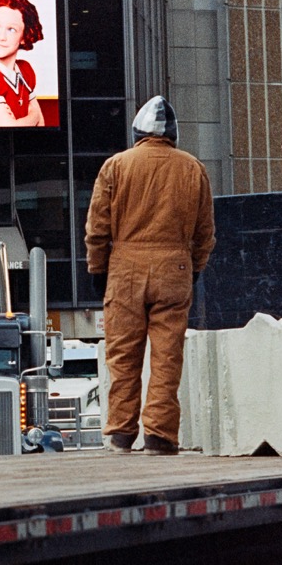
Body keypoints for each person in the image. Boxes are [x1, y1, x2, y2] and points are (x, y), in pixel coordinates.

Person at [84, 96, 215, 456]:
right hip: (174, 269)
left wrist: (97, 267)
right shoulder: (193, 168)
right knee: (166, 356)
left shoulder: (116, 166)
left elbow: (97, 227)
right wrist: (196, 267)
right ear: (173, 133)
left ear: (137, 131)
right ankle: (160, 435)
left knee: (123, 356)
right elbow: (205, 232)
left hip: (125, 270)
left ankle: (120, 434)